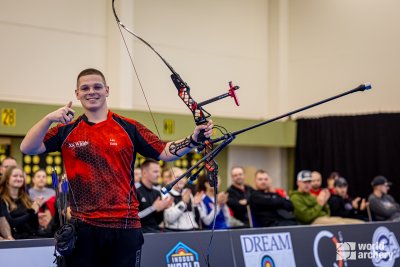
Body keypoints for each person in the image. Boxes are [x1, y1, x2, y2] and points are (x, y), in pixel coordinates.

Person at [19, 68, 213, 266]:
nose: (91, 91)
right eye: (84, 88)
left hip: (125, 227)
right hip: (83, 228)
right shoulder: (66, 130)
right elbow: (28, 147)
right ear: (77, 93)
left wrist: (193, 139)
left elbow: (164, 151)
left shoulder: (128, 127)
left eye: (97, 86)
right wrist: (49, 119)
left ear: (107, 90)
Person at [290, 170, 363, 225]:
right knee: (342, 225)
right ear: (298, 183)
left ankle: (357, 245)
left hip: (324, 218)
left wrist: (324, 201)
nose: (307, 184)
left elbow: (327, 212)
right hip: (311, 222)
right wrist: (320, 204)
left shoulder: (312, 196)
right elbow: (306, 218)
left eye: (309, 182)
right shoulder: (295, 197)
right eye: (304, 182)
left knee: (358, 223)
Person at [0, 166, 44, 239]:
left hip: (32, 239)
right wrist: (32, 212)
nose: (19, 178)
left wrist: (36, 209)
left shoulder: (27, 199)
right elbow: (11, 223)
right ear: (7, 179)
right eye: (15, 176)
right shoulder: (2, 200)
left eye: (21, 176)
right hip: (15, 241)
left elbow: (35, 227)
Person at [137, 159, 173, 233]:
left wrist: (162, 208)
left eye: (159, 171)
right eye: (155, 172)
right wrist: (153, 208)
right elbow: (134, 218)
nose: (159, 175)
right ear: (144, 173)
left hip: (155, 231)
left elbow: (158, 221)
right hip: (140, 233)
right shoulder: (135, 190)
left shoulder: (156, 192)